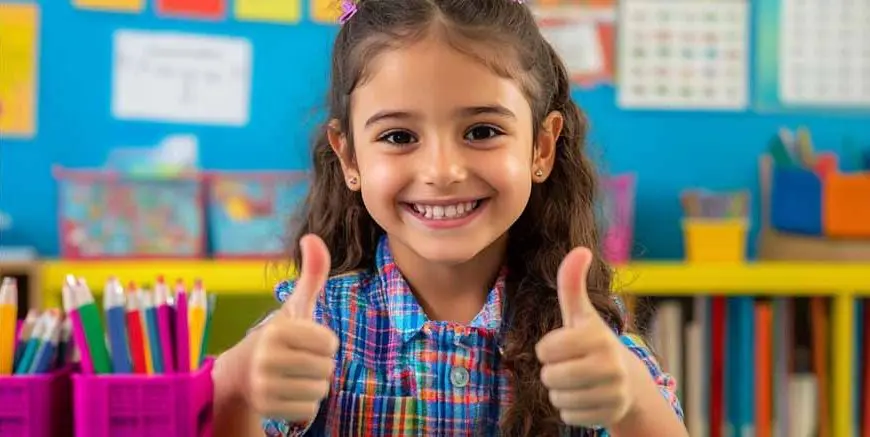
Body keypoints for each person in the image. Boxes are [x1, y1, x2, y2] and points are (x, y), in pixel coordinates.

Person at [212, 0, 687, 435]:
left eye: (482, 131)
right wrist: (234, 391)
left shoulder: (582, 338)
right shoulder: (311, 332)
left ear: (541, 147)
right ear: (350, 158)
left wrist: (632, 405)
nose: (442, 172)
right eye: (399, 136)